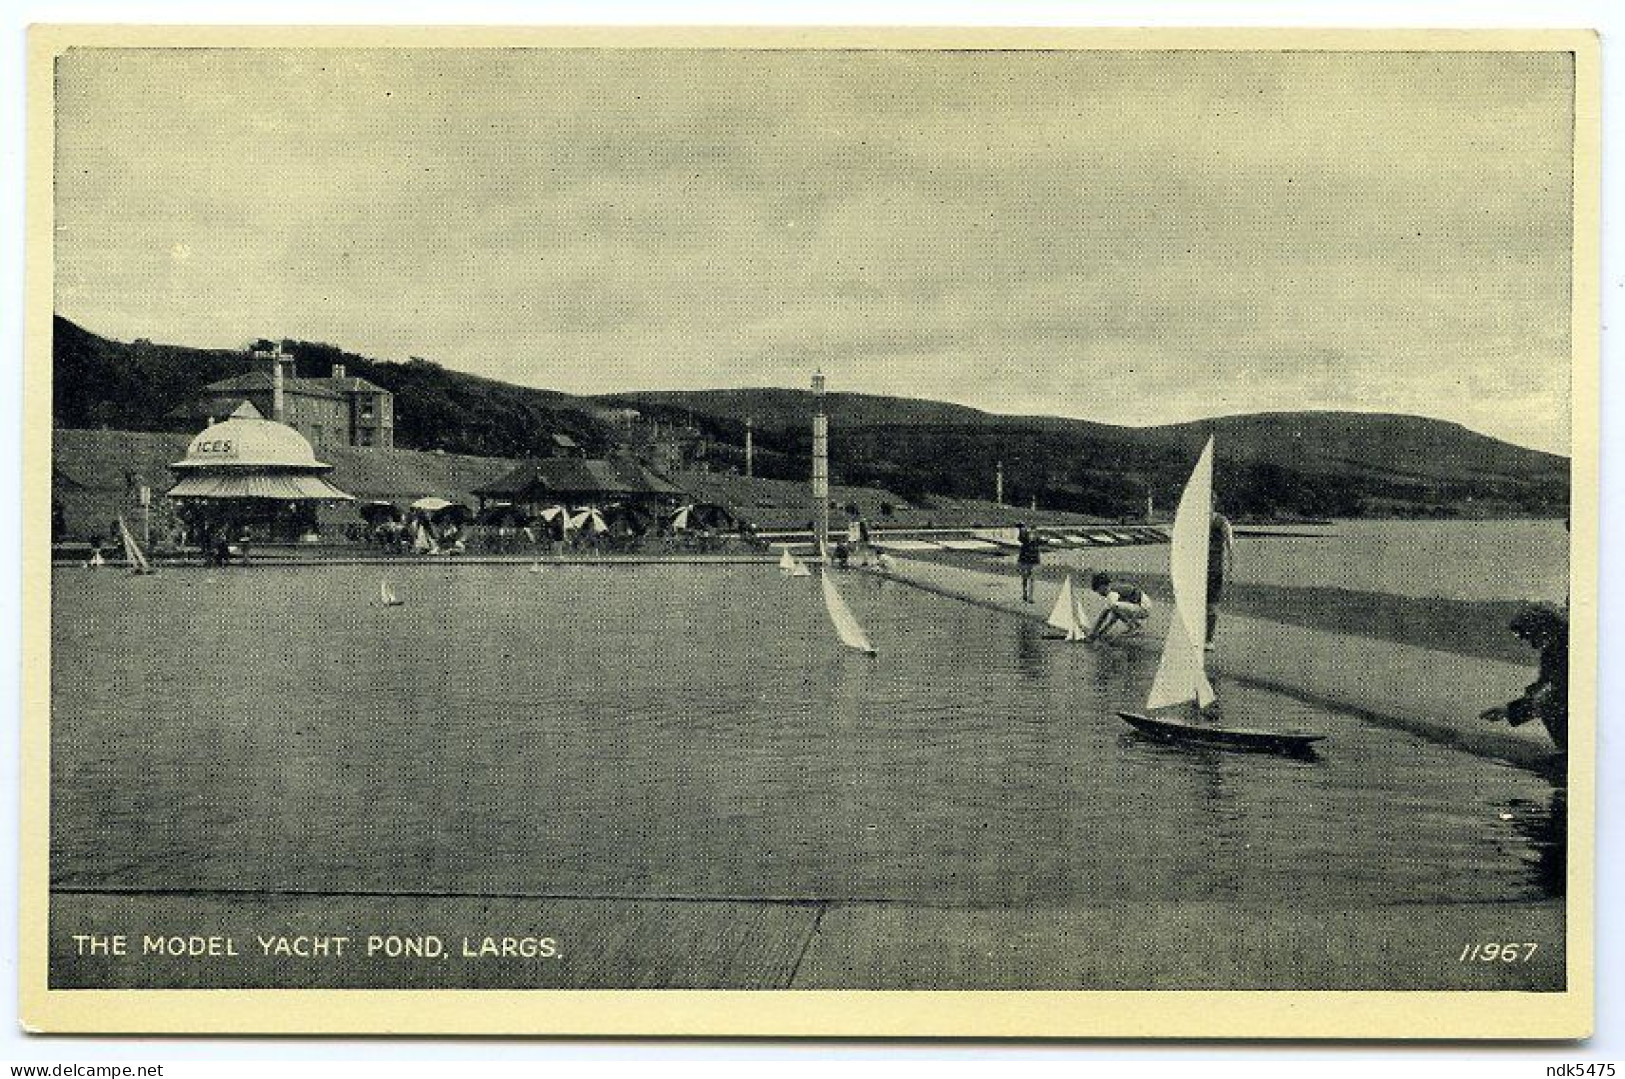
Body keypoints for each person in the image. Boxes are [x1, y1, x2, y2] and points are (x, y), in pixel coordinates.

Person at [1481, 603, 1568, 752]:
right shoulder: (1551, 653)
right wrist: (1507, 710)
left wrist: (1509, 711)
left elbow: (1550, 695)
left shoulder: (1568, 648)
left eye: (1531, 636)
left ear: (1545, 629)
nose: (1533, 645)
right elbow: (1544, 691)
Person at [1084, 571, 1154, 642]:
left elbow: (1103, 616)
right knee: (1115, 610)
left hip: (1143, 608)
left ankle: (1133, 627)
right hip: (1141, 607)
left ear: (1102, 586)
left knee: (1113, 607)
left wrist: (1093, 632)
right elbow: (1115, 616)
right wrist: (1102, 631)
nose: (1099, 594)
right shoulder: (1113, 590)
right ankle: (1136, 626)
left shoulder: (1111, 592)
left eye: (1098, 590)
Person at [1206, 508, 1235, 649]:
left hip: (1214, 570)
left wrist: (1231, 567)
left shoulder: (1221, 521)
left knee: (1211, 605)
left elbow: (1230, 544)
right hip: (1197, 570)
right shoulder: (1196, 521)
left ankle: (1209, 639)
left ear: (1213, 503)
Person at [1015, 523, 1042, 602]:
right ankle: (1025, 594)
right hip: (1024, 560)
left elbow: (1044, 541)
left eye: (1033, 532)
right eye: (1030, 532)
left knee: (1032, 579)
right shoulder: (1024, 539)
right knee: (1025, 579)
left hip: (1033, 561)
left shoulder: (1037, 539)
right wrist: (1020, 529)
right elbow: (1020, 538)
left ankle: (1030, 597)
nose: (1031, 534)